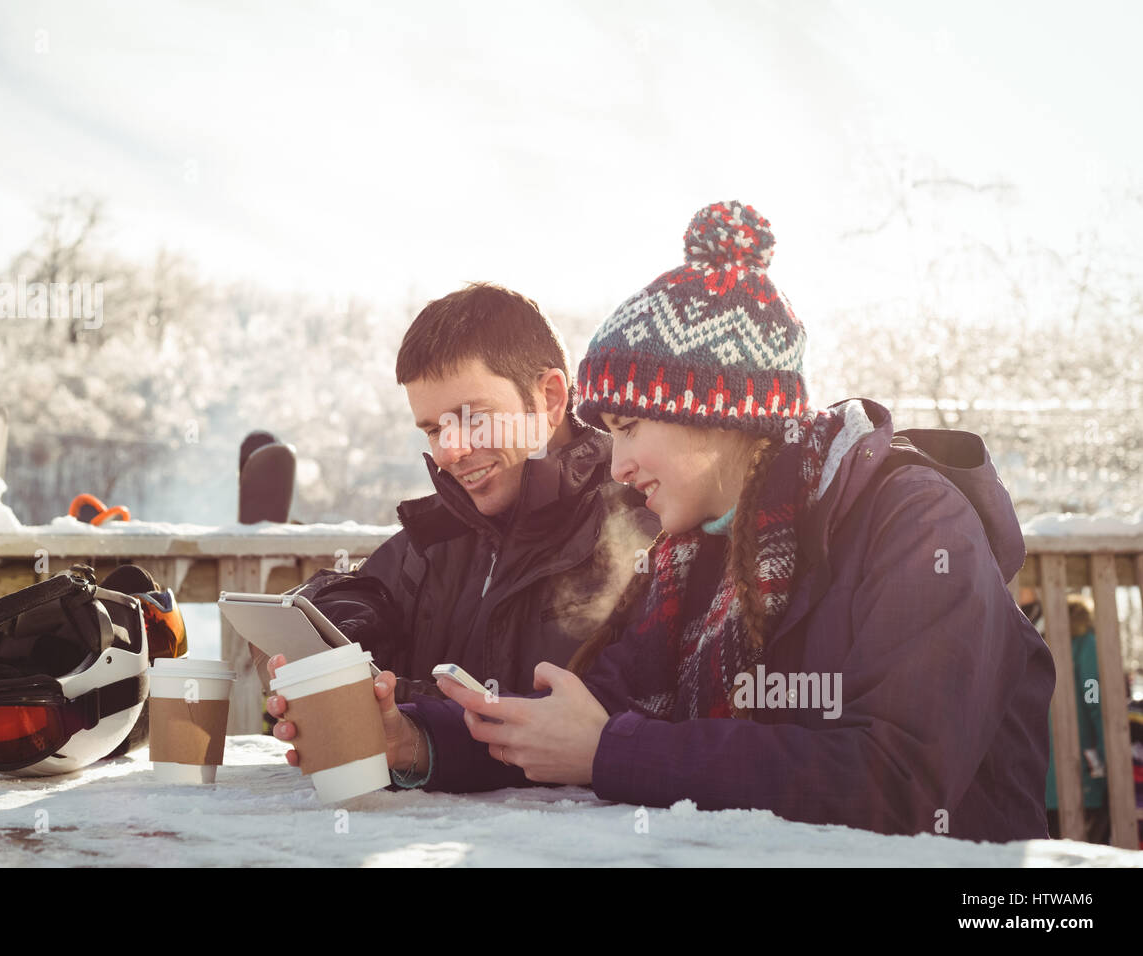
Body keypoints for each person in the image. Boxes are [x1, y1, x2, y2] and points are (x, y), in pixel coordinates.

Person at [270, 201, 1055, 842]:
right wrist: (417, 740)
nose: (614, 465)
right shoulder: (693, 558)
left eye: (630, 429)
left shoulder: (912, 521)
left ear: (717, 417)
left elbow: (898, 778)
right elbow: (576, 720)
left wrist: (615, 752)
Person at [265, 283, 660, 702]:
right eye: (434, 429)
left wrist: (407, 715)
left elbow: (593, 731)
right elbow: (357, 591)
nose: (450, 451)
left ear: (549, 398)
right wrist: (342, 624)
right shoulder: (438, 535)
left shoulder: (647, 532)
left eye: (472, 418)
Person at [1042, 595, 1110, 844]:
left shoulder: (1044, 646)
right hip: (1084, 764)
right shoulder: (1085, 644)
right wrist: (1107, 753)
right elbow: (1093, 697)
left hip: (1046, 779)